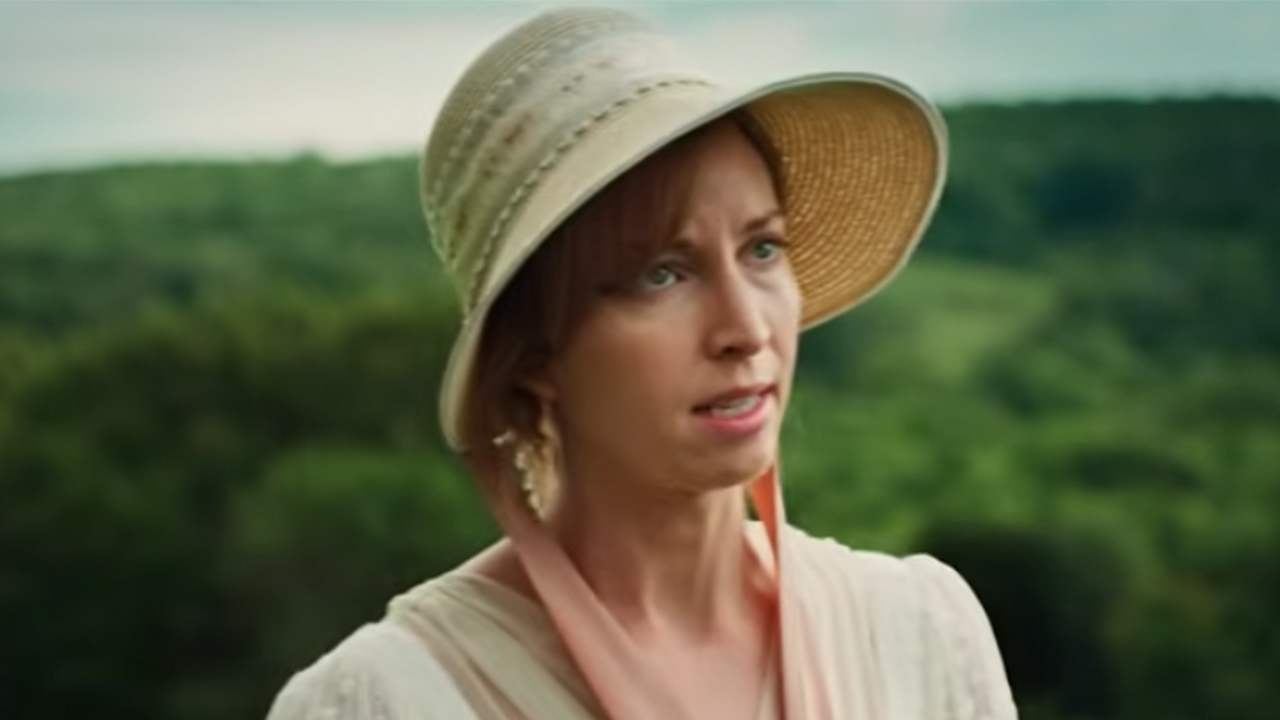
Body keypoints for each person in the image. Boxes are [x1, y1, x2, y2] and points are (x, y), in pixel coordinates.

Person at [266, 6, 1017, 720]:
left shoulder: (917, 636)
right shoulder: (388, 700)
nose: (746, 329)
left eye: (762, 248)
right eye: (663, 273)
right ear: (534, 355)